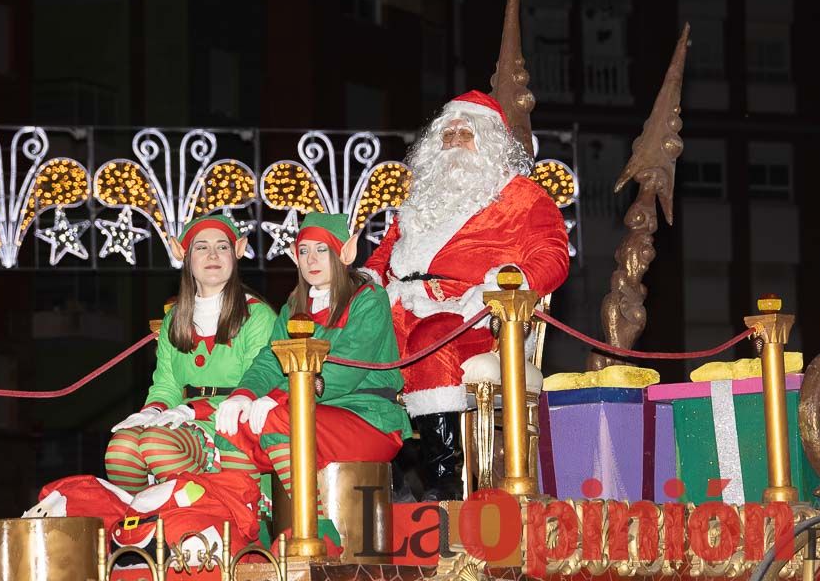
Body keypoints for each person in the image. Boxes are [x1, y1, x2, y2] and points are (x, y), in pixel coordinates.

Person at [364, 90, 570, 500]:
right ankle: (382, 473)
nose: (455, 139)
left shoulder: (522, 195)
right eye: (448, 132)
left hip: (475, 314)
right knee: (359, 345)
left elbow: (553, 256)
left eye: (466, 131)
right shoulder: (421, 198)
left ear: (491, 141)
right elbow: (385, 253)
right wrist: (365, 279)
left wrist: (508, 281)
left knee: (431, 339)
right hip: (403, 303)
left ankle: (444, 478)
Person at [216, 212, 411, 547]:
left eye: (322, 249)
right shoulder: (294, 305)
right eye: (304, 251)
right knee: (231, 427)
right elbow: (270, 359)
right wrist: (243, 395)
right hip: (312, 415)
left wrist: (280, 398)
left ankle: (316, 529)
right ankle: (246, 533)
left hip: (369, 418)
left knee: (279, 419)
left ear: (344, 254)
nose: (312, 260)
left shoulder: (368, 300)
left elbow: (343, 369)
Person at [104, 214, 278, 494]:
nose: (212, 254)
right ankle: (153, 525)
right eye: (201, 247)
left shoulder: (257, 316)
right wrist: (151, 411)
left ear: (239, 250)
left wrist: (192, 409)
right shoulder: (174, 318)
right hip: (185, 421)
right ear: (181, 253)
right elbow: (167, 384)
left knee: (155, 442)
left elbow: (258, 384)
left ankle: (217, 511)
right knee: (121, 449)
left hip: (232, 424)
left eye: (222, 246)